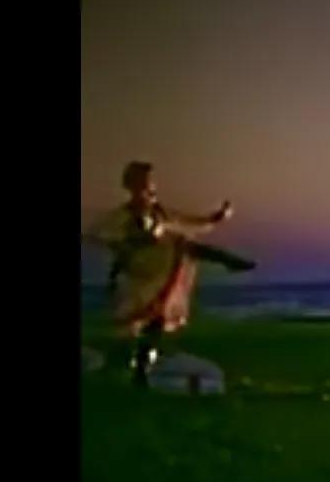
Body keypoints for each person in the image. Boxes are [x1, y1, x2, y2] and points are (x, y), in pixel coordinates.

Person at [84, 161, 252, 387]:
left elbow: (185, 221)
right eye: (142, 180)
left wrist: (214, 218)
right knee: (131, 330)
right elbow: (99, 235)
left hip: (160, 270)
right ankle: (121, 370)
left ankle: (141, 373)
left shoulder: (159, 212)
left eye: (149, 180)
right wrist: (126, 244)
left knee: (156, 322)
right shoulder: (123, 215)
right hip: (139, 272)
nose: (148, 185)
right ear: (131, 184)